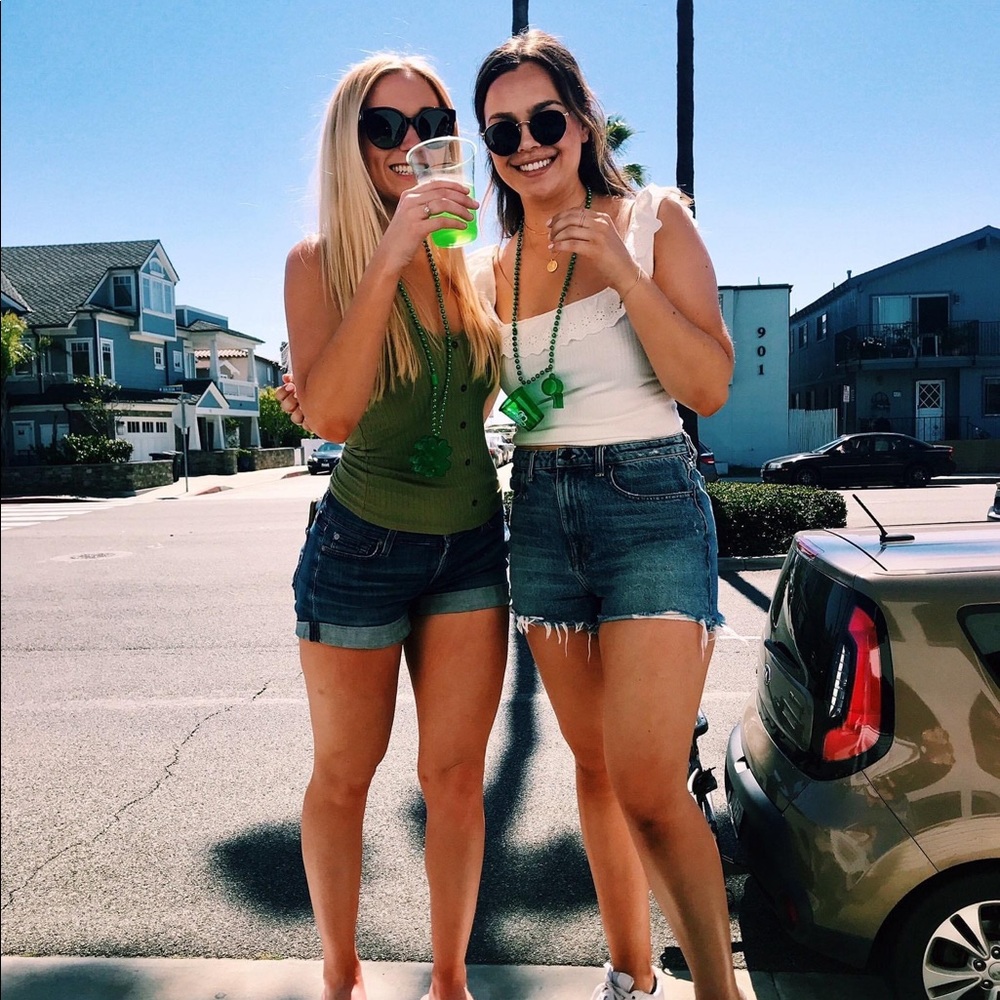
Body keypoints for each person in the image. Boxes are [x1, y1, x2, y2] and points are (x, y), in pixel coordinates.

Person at [468, 30, 744, 1000]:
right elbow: (467, 402)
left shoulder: (653, 218)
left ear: (581, 125)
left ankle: (720, 989)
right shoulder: (490, 270)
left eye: (546, 119)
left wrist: (621, 271)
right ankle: (629, 974)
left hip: (650, 506)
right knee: (593, 771)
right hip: (540, 514)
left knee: (649, 786)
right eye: (503, 129)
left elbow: (707, 382)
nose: (526, 141)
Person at [283, 53, 508, 1000]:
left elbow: (503, 390)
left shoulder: (468, 262)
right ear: (354, 141)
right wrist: (387, 254)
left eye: (433, 120)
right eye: (388, 125)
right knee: (346, 773)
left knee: (456, 781)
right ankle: (342, 974)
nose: (413, 142)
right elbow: (331, 416)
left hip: (470, 545)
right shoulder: (317, 263)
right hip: (361, 548)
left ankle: (449, 982)